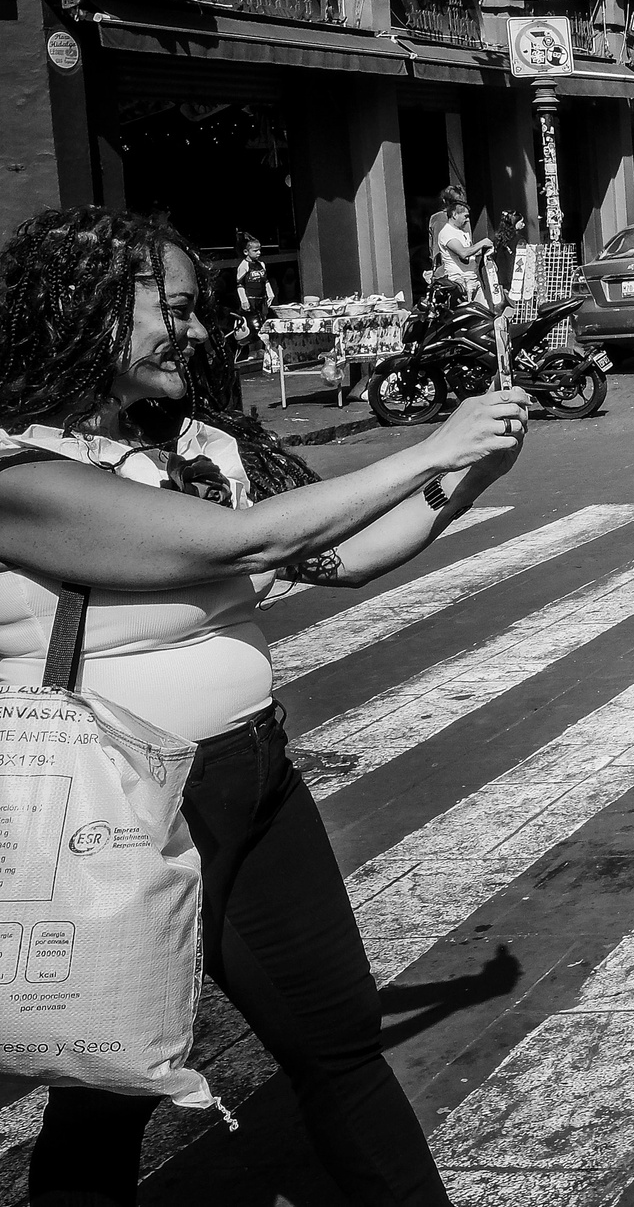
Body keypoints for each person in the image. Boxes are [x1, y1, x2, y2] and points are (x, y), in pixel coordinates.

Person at [0, 206, 528, 1207]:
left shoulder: (191, 445)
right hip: (110, 813)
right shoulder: (19, 473)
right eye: (179, 310)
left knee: (338, 1046)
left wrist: (462, 478)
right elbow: (226, 548)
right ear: (86, 310)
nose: (198, 334)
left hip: (249, 780)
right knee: (106, 1085)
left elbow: (333, 554)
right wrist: (425, 449)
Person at [431, 186, 485, 301]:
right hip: (459, 275)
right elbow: (464, 250)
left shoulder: (441, 219)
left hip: (458, 275)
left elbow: (435, 253)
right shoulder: (456, 221)